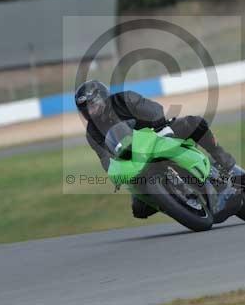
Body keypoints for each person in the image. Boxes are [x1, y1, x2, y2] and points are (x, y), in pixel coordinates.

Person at [75, 79, 236, 219]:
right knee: (139, 209)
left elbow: (154, 110)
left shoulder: (124, 99)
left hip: (159, 134)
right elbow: (105, 158)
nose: (90, 111)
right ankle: (173, 202)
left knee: (194, 123)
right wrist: (115, 174)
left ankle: (220, 158)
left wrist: (160, 127)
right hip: (135, 158)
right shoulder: (92, 133)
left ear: (102, 98)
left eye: (92, 105)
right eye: (85, 110)